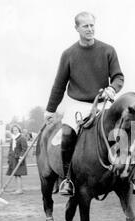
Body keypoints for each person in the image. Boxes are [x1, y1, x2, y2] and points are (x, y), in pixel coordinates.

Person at [43, 11, 124, 196]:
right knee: (67, 133)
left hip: (104, 104)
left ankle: (126, 177)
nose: (90, 29)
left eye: (92, 25)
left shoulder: (108, 50)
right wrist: (50, 110)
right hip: (78, 105)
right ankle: (68, 180)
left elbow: (119, 76)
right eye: (85, 26)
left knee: (122, 132)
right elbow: (59, 85)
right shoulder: (68, 54)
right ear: (77, 28)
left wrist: (113, 88)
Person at [6, 124, 28, 194]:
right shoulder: (12, 138)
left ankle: (20, 190)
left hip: (19, 158)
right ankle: (17, 189)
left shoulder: (22, 137)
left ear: (19, 130)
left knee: (18, 174)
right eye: (13, 130)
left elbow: (24, 149)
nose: (15, 131)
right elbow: (10, 148)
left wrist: (21, 157)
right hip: (13, 158)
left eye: (16, 130)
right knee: (15, 174)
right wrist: (9, 157)